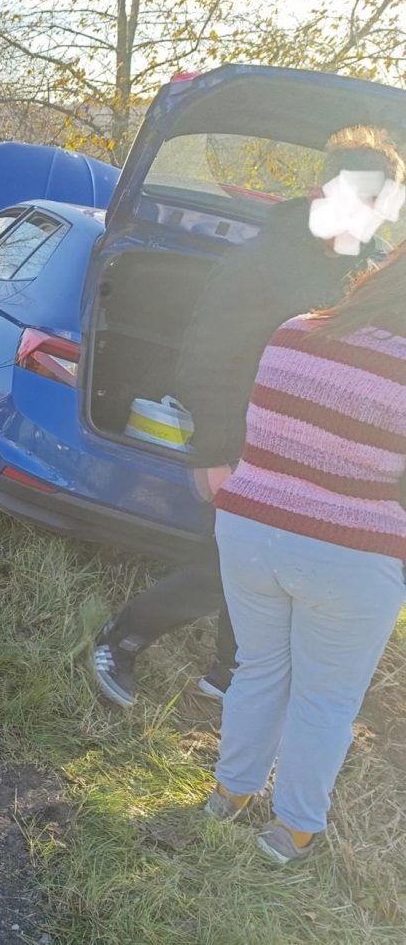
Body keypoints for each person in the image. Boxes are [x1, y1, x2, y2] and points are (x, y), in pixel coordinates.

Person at [91, 127, 405, 709]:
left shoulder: (367, 276)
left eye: (383, 206)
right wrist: (212, 452)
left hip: (318, 448)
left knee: (271, 568)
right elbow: (205, 361)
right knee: (230, 562)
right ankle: (122, 638)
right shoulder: (259, 262)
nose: (373, 219)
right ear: (326, 190)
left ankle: (228, 675)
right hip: (241, 439)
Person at [204, 223, 406, 865]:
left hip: (250, 528)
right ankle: (292, 829)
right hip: (348, 549)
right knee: (327, 697)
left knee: (258, 667)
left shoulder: (295, 330)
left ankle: (228, 795)